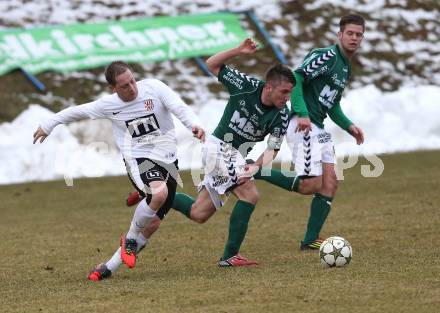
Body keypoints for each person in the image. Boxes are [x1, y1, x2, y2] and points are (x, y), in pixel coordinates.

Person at [33, 61, 205, 281]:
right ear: (113, 89)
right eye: (124, 85)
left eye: (132, 81)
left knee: (151, 224)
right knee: (159, 193)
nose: (132, 87)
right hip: (139, 158)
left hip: (169, 162)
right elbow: (77, 111)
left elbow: (179, 107)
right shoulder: (108, 105)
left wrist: (195, 125)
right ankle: (131, 235)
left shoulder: (154, 87)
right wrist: (49, 124)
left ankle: (109, 268)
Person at [171, 38, 295, 267]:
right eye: (284, 92)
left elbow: (273, 148)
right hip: (218, 147)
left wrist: (255, 166)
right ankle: (230, 256)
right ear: (269, 87)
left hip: (234, 156)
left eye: (290, 94)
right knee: (250, 195)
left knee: (199, 213)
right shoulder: (245, 85)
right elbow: (212, 64)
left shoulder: (282, 114)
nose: (287, 98)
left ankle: (159, 197)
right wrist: (238, 51)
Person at [253, 14, 365, 250]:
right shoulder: (327, 56)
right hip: (303, 124)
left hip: (319, 128)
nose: (354, 38)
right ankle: (255, 171)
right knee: (310, 185)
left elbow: (332, 104)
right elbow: (296, 78)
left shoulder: (345, 67)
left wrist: (348, 126)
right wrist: (301, 112)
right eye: (350, 33)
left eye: (359, 34)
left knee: (330, 184)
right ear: (340, 34)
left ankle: (309, 240)